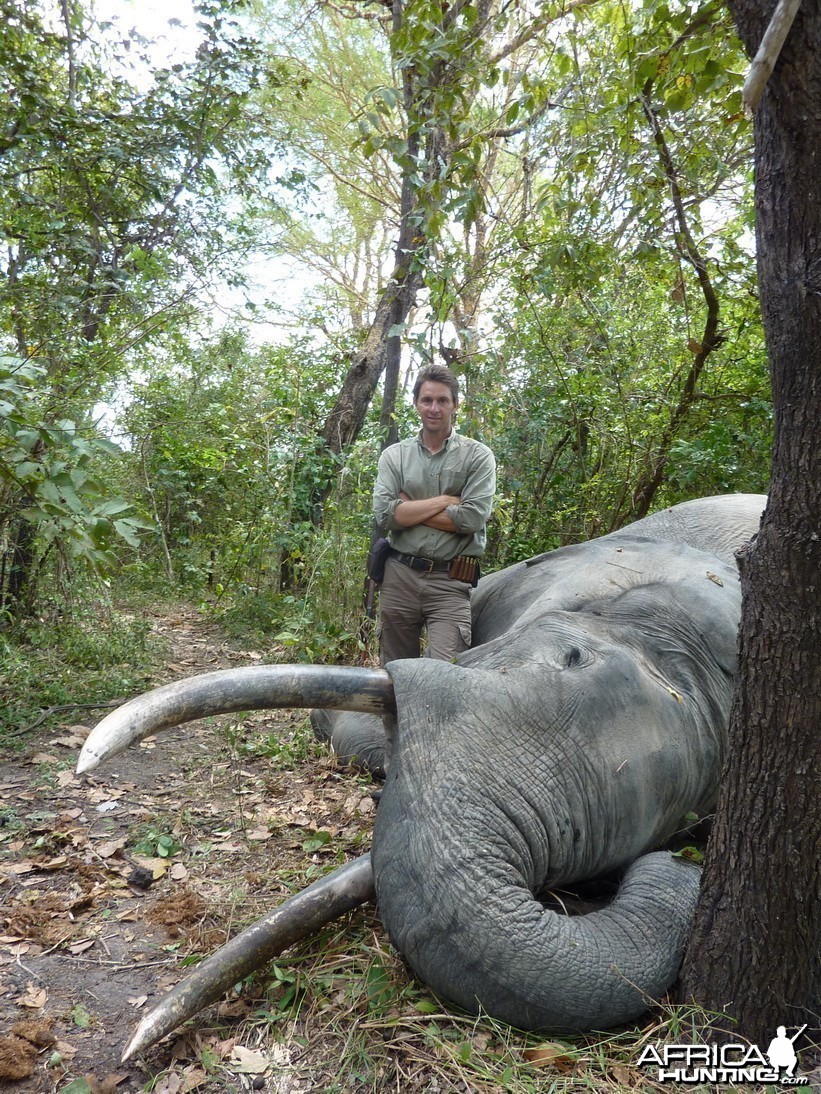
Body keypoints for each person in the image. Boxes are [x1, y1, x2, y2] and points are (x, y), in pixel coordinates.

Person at [372, 363, 496, 667]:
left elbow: (472, 519)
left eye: (442, 400)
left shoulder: (477, 456)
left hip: (450, 581)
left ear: (455, 404)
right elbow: (385, 516)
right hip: (399, 576)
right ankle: (395, 719)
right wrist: (444, 501)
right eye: (427, 400)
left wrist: (409, 508)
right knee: (394, 675)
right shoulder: (395, 456)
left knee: (447, 675)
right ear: (415, 403)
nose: (434, 408)